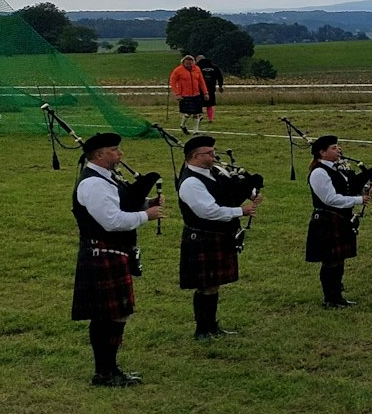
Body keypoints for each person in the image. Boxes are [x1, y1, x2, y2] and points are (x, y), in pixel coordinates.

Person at [72, 131, 164, 386]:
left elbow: (120, 205)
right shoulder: (93, 184)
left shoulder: (107, 178)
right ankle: (104, 372)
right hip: (103, 253)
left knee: (116, 314)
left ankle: (109, 369)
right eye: (114, 150)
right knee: (108, 315)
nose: (120, 154)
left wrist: (146, 203)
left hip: (111, 253)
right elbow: (112, 221)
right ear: (100, 155)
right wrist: (148, 216)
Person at [175, 134, 259, 340]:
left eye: (214, 152)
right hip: (203, 236)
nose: (214, 156)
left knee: (213, 283)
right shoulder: (190, 182)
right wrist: (241, 211)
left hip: (218, 235)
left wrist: (251, 191)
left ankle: (211, 326)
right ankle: (202, 330)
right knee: (205, 285)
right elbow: (208, 212)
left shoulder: (213, 172)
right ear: (195, 156)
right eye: (209, 153)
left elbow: (230, 189)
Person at [305, 135, 369, 308]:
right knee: (330, 260)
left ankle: (337, 296)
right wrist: (358, 200)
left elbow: (347, 189)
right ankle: (330, 298)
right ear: (322, 152)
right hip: (327, 219)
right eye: (333, 147)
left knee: (340, 258)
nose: (338, 150)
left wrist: (365, 181)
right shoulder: (319, 172)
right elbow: (330, 199)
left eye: (338, 146)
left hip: (340, 219)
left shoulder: (336, 169)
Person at [170, 56, 207, 133]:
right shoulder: (178, 70)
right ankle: (182, 125)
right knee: (188, 113)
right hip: (185, 95)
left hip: (196, 94)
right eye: (187, 63)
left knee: (197, 114)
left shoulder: (197, 69)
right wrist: (177, 94)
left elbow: (201, 81)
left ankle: (195, 131)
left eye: (191, 63)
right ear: (183, 63)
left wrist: (205, 93)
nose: (189, 65)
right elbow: (172, 83)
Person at [195, 54, 223, 126]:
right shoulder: (214, 67)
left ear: (198, 60)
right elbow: (220, 77)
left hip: (199, 88)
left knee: (198, 103)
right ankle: (210, 119)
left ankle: (199, 115)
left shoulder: (196, 67)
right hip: (211, 88)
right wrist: (220, 86)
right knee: (210, 104)